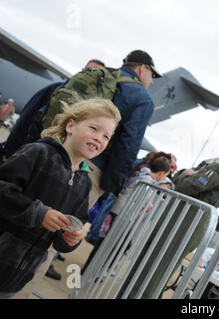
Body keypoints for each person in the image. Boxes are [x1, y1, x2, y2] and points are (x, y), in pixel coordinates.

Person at [119, 112, 219, 298]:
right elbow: (189, 181)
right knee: (146, 262)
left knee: (153, 270)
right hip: (181, 217)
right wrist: (188, 174)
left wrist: (184, 174)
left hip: (187, 222)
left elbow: (190, 185)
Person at [0, 98, 121, 298]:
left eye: (106, 136)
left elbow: (72, 227)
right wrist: (38, 213)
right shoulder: (38, 152)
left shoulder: (85, 183)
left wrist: (70, 239)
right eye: (93, 128)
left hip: (18, 277)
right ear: (71, 125)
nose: (99, 138)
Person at [87, 50, 161, 209]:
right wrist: (109, 185)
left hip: (56, 148)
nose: (152, 81)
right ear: (142, 69)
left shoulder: (96, 76)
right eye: (152, 75)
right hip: (90, 166)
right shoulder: (142, 99)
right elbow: (128, 145)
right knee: (65, 225)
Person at [81, 151, 172, 274]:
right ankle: (97, 271)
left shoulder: (141, 173)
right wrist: (148, 204)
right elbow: (145, 200)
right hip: (120, 215)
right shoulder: (146, 180)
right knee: (118, 244)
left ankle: (89, 270)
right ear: (162, 173)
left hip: (112, 212)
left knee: (103, 240)